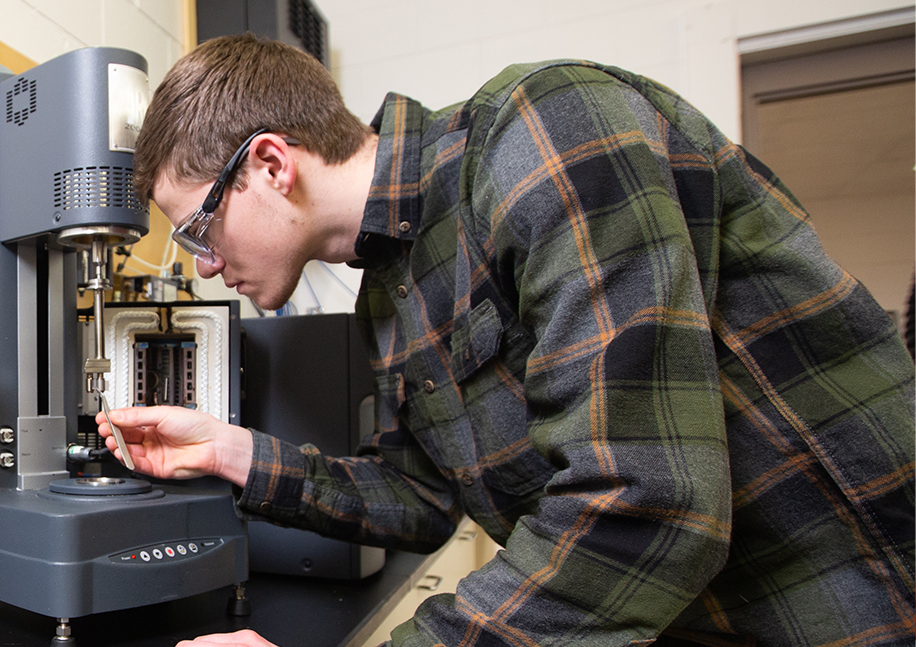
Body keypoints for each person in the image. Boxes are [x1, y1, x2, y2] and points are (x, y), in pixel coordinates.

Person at [99, 34, 915, 647]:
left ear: (270, 164)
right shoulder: (387, 292)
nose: (205, 265)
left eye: (201, 226)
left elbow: (646, 503)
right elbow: (422, 499)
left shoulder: (541, 130)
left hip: (854, 604)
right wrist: (231, 451)